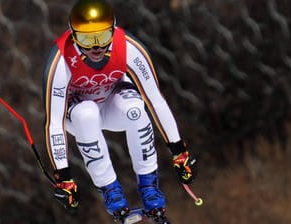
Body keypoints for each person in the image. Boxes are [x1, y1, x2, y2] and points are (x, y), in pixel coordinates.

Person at [42, 0, 197, 221]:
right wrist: (63, 176)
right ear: (73, 35)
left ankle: (150, 188)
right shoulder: (61, 58)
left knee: (135, 108)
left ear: (113, 31)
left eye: (103, 38)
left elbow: (156, 101)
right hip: (79, 116)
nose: (96, 47)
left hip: (113, 104)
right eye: (86, 39)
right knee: (86, 113)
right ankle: (112, 194)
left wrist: (179, 152)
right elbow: (54, 123)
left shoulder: (129, 48)